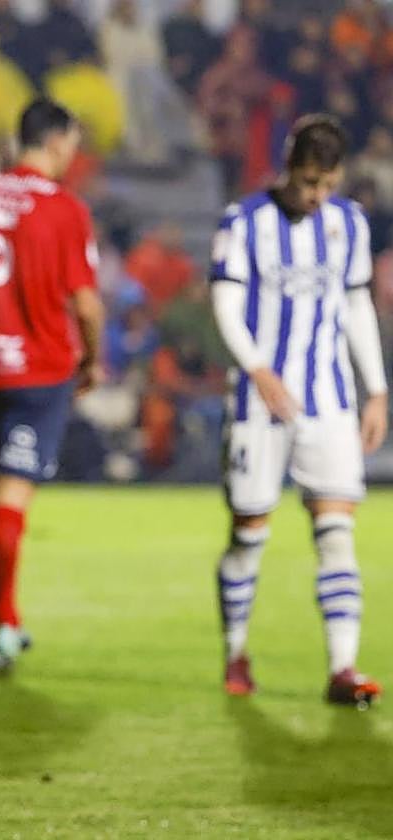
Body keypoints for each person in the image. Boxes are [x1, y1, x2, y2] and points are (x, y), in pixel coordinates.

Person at [210, 114, 387, 708]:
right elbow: (226, 300)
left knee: (337, 534)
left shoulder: (349, 224)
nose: (316, 197)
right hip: (260, 403)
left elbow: (357, 304)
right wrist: (257, 367)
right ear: (290, 169)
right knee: (249, 538)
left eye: (327, 185)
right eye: (309, 183)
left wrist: (376, 389)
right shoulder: (246, 221)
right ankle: (236, 649)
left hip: (329, 400)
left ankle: (343, 668)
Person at [0, 99, 105, 672]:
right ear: (58, 141)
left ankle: (7, 618)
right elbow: (85, 303)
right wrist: (94, 361)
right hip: (39, 372)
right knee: (11, 502)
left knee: (3, 491)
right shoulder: (65, 209)